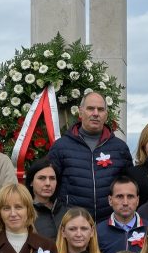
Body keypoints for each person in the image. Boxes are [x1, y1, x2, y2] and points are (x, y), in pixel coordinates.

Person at [47, 92, 134, 222]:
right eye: (90, 108)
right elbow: (50, 184)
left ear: (106, 115)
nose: (95, 113)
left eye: (100, 109)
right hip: (73, 224)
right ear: (80, 112)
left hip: (110, 223)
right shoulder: (61, 147)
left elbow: (129, 185)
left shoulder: (120, 148)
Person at [96, 176, 146, 253]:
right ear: (110, 200)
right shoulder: (98, 232)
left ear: (137, 200)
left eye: (130, 196)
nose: (125, 202)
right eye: (119, 196)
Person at [25, 157, 65, 240]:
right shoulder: (25, 212)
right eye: (41, 178)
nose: (48, 183)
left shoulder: (66, 211)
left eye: (52, 178)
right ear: (31, 182)